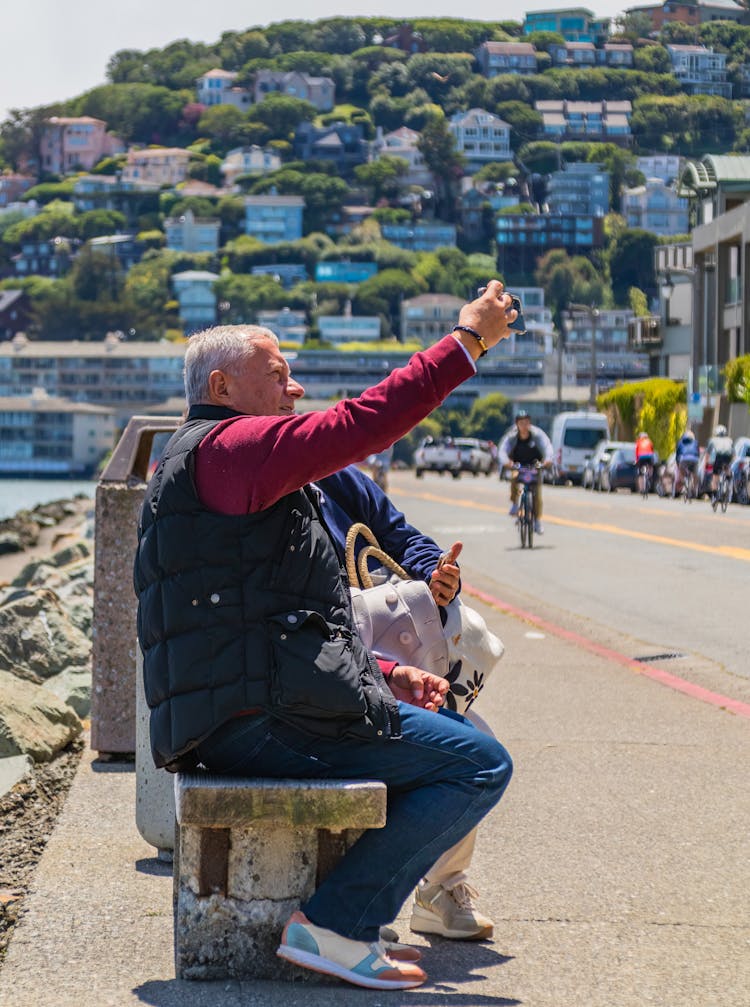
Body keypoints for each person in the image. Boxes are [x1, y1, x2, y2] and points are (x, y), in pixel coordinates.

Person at [134, 282, 516, 991]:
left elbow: (263, 620)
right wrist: (466, 341)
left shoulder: (200, 464)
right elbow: (361, 421)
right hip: (259, 721)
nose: (294, 385)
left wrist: (386, 674)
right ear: (222, 385)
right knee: (478, 763)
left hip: (240, 711)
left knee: (450, 743)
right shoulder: (231, 449)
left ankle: (362, 910)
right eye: (276, 373)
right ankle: (337, 924)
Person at [317, 463, 494, 940]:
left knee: (475, 740)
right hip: (323, 669)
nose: (294, 390)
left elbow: (401, 535)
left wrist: (438, 577)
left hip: (378, 656)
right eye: (280, 383)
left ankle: (441, 888)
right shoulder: (258, 486)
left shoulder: (334, 473)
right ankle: (361, 907)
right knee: (464, 754)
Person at [498, 409, 553, 534]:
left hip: (534, 466)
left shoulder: (537, 435)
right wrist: (507, 462)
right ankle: (514, 504)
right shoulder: (512, 437)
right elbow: (503, 450)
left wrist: (547, 461)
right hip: (518, 466)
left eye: (526, 422)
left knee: (537, 493)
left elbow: (547, 447)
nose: (524, 425)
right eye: (521, 422)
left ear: (530, 423)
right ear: (517, 423)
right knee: (514, 477)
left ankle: (537, 521)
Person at [706, 424, 734, 498]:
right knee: (727, 468)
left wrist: (707, 463)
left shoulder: (712, 440)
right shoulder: (729, 440)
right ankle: (728, 479)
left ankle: (714, 494)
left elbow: (708, 454)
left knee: (715, 476)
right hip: (728, 457)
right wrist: (732, 462)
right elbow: (733, 453)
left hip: (719, 457)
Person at [673, 429, 700, 497]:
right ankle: (694, 490)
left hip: (684, 459)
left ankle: (685, 482)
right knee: (695, 474)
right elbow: (698, 453)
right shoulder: (695, 442)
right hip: (694, 459)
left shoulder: (680, 442)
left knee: (681, 472)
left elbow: (677, 454)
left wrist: (677, 463)